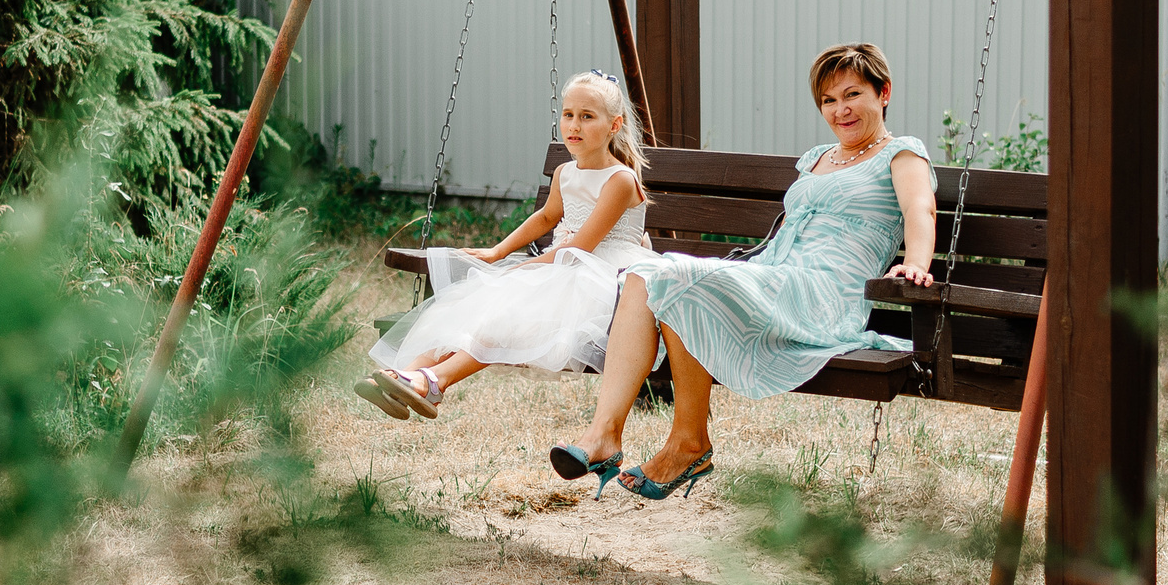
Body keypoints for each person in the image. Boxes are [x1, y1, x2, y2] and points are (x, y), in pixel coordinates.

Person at [549, 42, 937, 500]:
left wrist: (914, 265)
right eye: (829, 101)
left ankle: (688, 443)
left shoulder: (902, 154)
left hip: (825, 294)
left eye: (852, 95)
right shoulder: (817, 159)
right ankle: (603, 435)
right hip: (777, 276)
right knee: (644, 273)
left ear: (883, 93)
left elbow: (920, 209)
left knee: (671, 276)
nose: (840, 110)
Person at [357, 71, 658, 439]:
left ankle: (435, 381)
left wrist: (525, 269)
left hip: (603, 278)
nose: (573, 125)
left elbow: (581, 248)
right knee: (473, 304)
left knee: (508, 313)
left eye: (587, 116)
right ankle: (407, 376)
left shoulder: (620, 180)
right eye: (568, 114)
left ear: (615, 125)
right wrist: (496, 252)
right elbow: (547, 217)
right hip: (562, 267)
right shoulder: (565, 172)